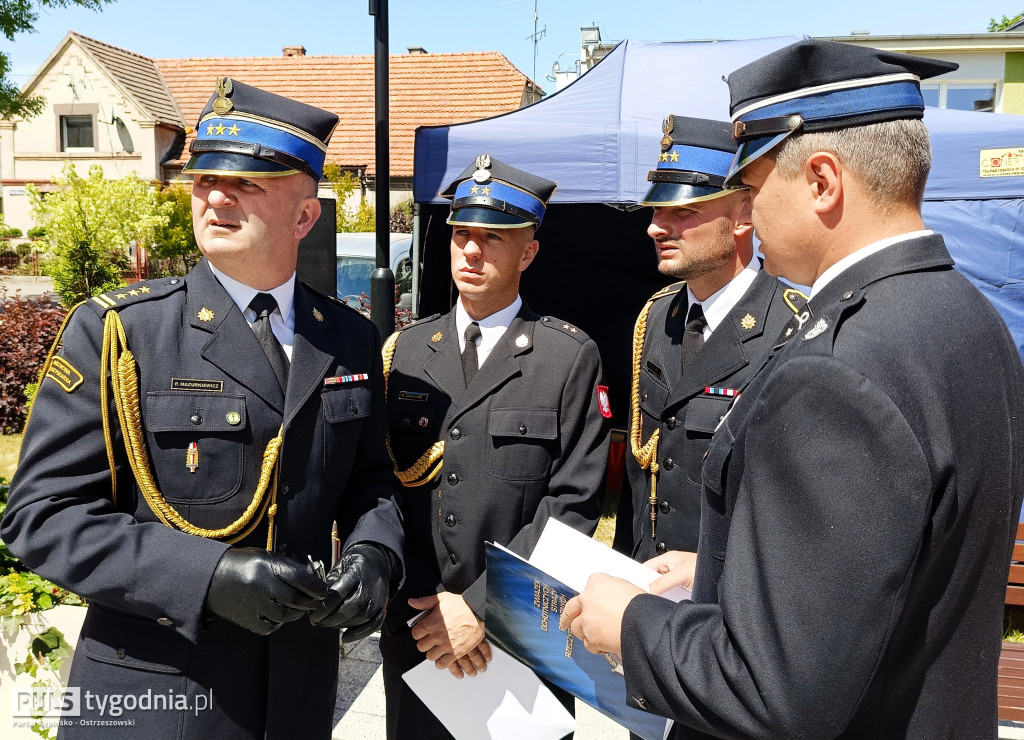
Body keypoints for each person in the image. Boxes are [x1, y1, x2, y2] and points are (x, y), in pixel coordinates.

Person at [562, 39, 1024, 739]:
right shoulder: (969, 317)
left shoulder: (834, 370)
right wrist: (721, 568)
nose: (745, 210)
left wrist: (629, 625)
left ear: (822, 182)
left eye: (750, 187)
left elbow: (773, 689)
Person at [1, 79, 404, 739]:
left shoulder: (347, 337)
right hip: (155, 697)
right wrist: (208, 575)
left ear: (305, 217)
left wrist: (375, 555)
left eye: (246, 184)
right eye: (203, 180)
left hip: (296, 698)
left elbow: (370, 483)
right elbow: (40, 517)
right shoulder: (121, 335)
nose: (216, 196)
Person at [378, 154, 610, 739]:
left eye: (492, 238)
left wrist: (479, 607)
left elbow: (573, 505)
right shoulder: (404, 352)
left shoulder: (565, 357)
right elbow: (381, 488)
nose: (471, 252)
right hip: (419, 634)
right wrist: (429, 608)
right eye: (461, 235)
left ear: (528, 253)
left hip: (520, 637)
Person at [613, 116, 803, 595]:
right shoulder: (656, 317)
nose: (657, 228)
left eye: (684, 211)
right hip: (647, 594)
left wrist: (714, 569)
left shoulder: (791, 328)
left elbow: (795, 502)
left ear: (743, 214)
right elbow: (641, 473)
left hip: (730, 602)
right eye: (656, 211)